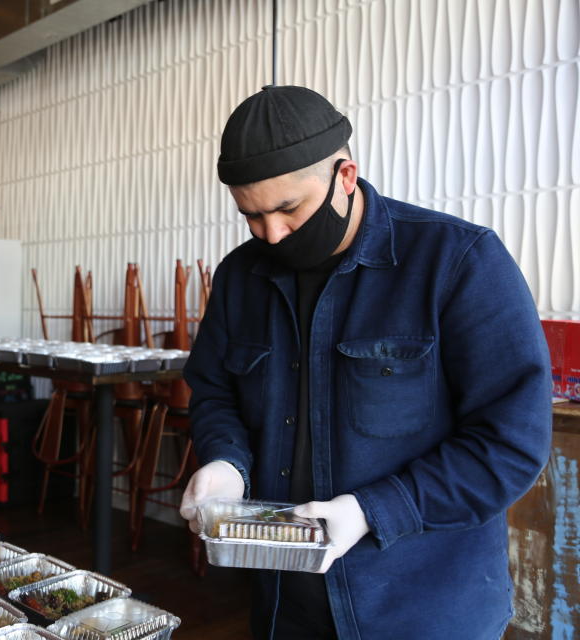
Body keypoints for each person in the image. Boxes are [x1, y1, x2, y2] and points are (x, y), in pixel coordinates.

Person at [178, 86, 551, 640]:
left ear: (345, 175)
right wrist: (226, 462)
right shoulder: (240, 277)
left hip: (422, 607)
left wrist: (371, 510)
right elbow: (215, 392)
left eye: (288, 208)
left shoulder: (457, 262)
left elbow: (510, 443)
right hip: (286, 601)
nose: (272, 234)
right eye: (251, 216)